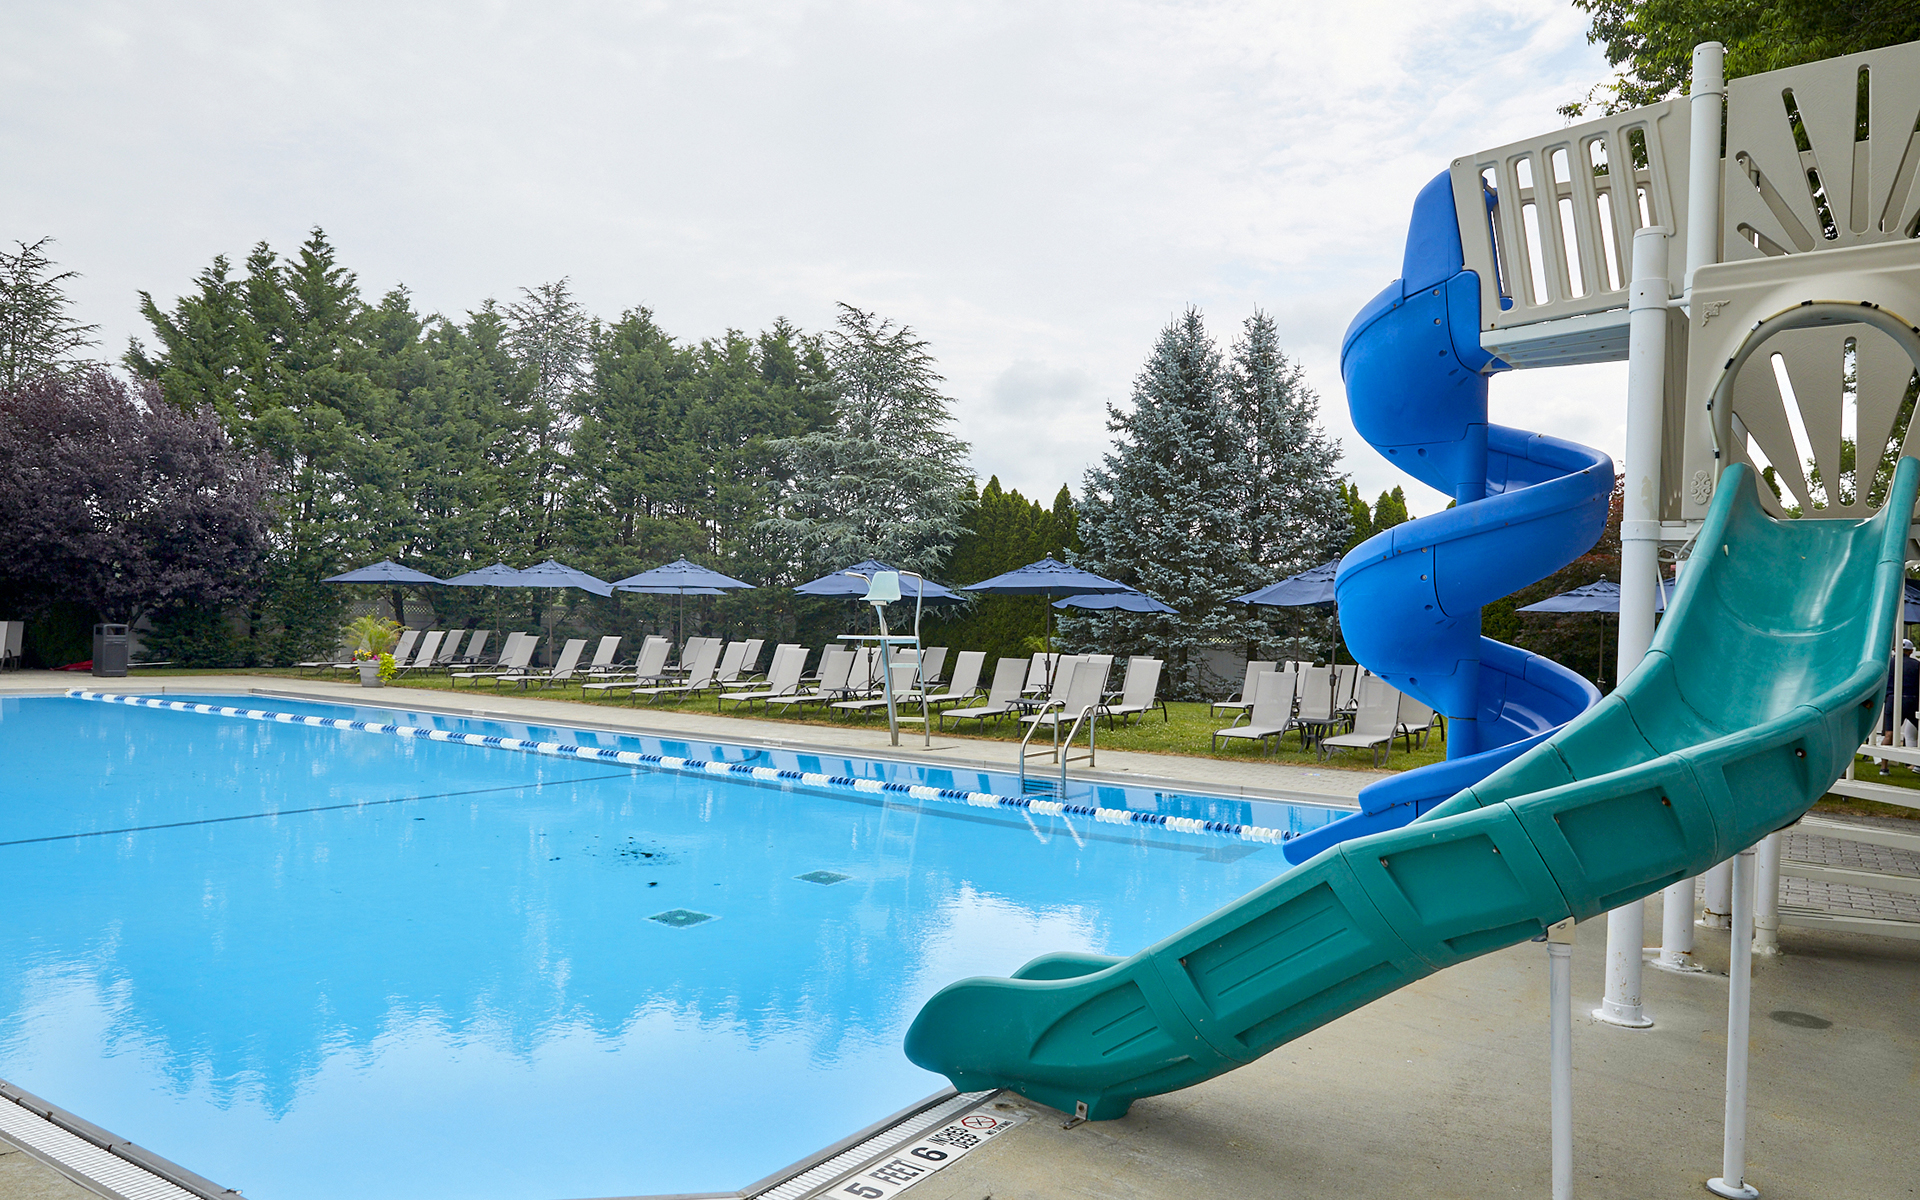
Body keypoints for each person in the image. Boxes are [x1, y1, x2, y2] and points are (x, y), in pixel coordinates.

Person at [1880, 638, 1919, 774]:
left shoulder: (1888, 663)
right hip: (1912, 700)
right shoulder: (1916, 664)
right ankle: (1917, 764)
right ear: (1911, 651)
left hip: (1893, 699)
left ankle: (1884, 767)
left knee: (1889, 734)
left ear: (1896, 649)